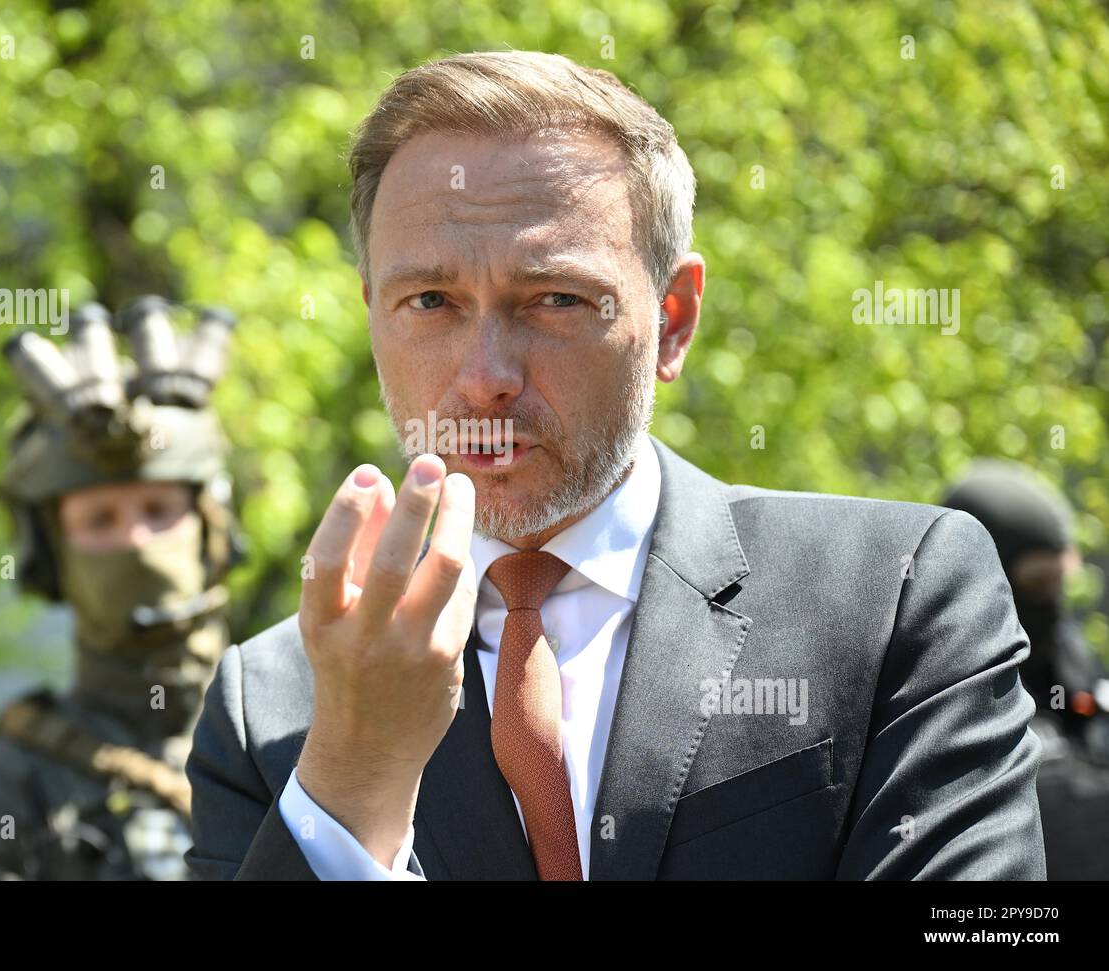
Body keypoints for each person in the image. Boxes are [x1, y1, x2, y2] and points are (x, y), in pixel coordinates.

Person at [186, 50, 1046, 880]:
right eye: (431, 302)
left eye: (555, 298)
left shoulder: (893, 597)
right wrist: (353, 779)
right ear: (372, 315)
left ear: (672, 320)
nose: (486, 376)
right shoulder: (273, 708)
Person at [0, 296, 243, 880]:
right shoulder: (5, 793)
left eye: (158, 509)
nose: (138, 542)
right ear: (53, 556)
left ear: (212, 526)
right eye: (100, 521)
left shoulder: (314, 739)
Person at [942, 461, 1109, 879]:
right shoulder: (941, 692)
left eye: (1057, 581)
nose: (1050, 601)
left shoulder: (1066, 656)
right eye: (1035, 584)